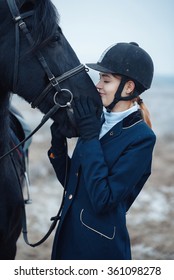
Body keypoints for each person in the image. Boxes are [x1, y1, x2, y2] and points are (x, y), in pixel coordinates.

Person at [48, 42, 156, 260]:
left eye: (106, 80)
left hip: (97, 250)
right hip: (68, 238)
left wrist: (89, 137)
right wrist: (58, 145)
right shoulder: (96, 120)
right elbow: (74, 185)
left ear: (128, 88)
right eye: (99, 78)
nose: (98, 85)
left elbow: (102, 199)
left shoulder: (142, 138)